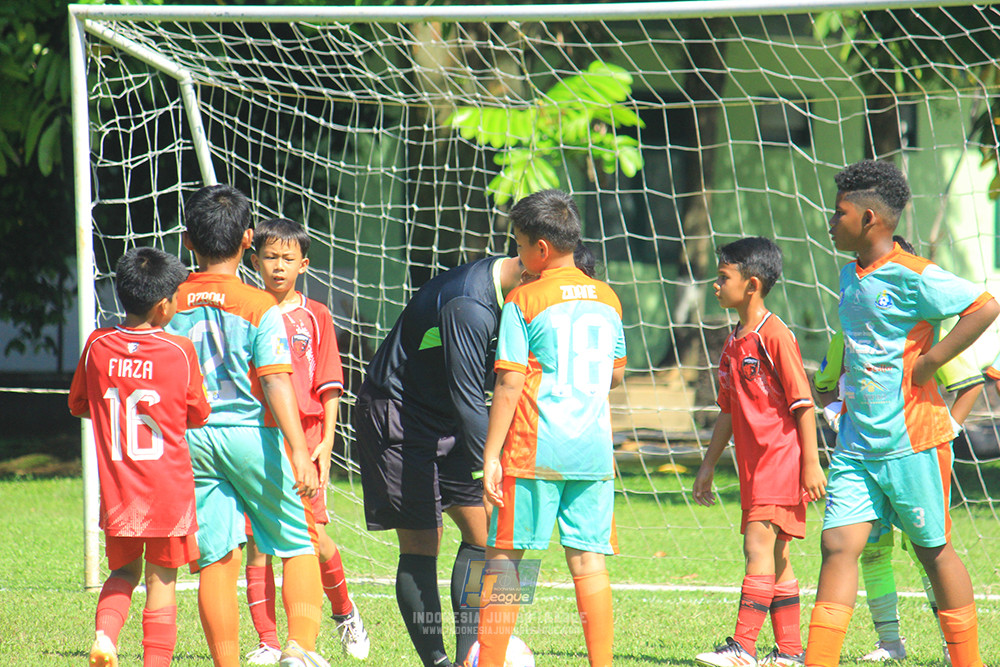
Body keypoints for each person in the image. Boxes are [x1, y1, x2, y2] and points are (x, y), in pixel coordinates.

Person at [805, 160, 998, 667]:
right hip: (855, 442)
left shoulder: (916, 275)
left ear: (869, 217)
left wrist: (933, 359)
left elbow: (983, 304)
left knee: (933, 551)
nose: (830, 220)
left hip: (911, 440)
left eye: (838, 211)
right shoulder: (849, 275)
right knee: (838, 545)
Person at [165, 184, 328, 667]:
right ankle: (298, 650)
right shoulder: (261, 307)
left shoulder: (169, 302)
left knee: (218, 554)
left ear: (188, 241)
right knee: (297, 542)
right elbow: (277, 383)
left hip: (192, 440)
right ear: (249, 240)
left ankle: (227, 662)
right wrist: (300, 449)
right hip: (253, 436)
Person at [353, 226, 526, 667]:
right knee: (423, 541)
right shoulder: (470, 305)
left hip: (447, 417)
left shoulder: (518, 300)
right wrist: (491, 461)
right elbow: (471, 396)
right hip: (399, 415)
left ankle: (470, 654)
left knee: (482, 534)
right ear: (532, 262)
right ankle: (438, 663)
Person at [475, 189, 627, 667]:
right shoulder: (609, 297)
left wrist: (490, 456)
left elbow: (508, 383)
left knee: (505, 558)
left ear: (541, 248)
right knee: (588, 562)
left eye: (518, 244)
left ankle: (491, 661)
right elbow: (617, 374)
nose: (516, 254)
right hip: (593, 451)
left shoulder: (525, 298)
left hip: (533, 447)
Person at [69, 247, 211, 667]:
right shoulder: (180, 350)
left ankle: (105, 637)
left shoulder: (98, 344)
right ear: (163, 304)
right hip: (167, 491)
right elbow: (198, 414)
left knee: (123, 574)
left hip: (119, 490)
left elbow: (79, 404)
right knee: (161, 580)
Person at [692, 237, 827, 667]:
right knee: (777, 556)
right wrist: (709, 465)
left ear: (751, 284)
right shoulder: (734, 342)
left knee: (757, 546)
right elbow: (728, 410)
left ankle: (742, 647)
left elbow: (802, 403)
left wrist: (810, 463)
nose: (715, 285)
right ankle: (789, 652)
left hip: (781, 460)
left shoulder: (775, 335)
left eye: (723, 277)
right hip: (754, 466)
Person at [240, 217, 370, 665]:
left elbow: (329, 384)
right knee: (256, 541)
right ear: (254, 260)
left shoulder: (316, 315)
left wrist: (327, 443)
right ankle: (268, 641)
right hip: (257, 435)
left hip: (309, 435)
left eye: (288, 259)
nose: (278, 266)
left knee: (312, 541)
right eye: (270, 257)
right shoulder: (246, 310)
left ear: (304, 264)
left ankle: (344, 611)